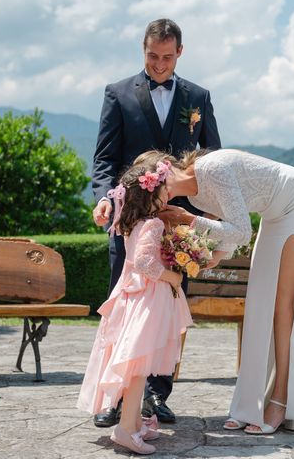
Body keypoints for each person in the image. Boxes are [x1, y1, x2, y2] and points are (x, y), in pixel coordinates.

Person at [136, 148, 294, 434]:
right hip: (275, 214)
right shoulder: (193, 196)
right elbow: (228, 228)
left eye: (153, 187)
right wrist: (210, 257)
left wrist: (186, 219)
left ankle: (279, 401)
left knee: (282, 305)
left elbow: (241, 231)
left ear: (165, 169)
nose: (153, 198)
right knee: (259, 305)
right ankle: (249, 405)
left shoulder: (213, 169)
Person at [90, 17, 221, 426]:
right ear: (142, 50)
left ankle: (155, 395)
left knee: (167, 311)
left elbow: (211, 159)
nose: (159, 64)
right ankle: (112, 398)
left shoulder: (199, 97)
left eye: (167, 57)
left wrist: (208, 211)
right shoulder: (117, 94)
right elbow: (104, 161)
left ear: (180, 52)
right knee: (121, 310)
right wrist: (105, 202)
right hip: (130, 223)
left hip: (181, 225)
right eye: (152, 56)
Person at [77, 161, 192, 455]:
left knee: (135, 366)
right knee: (138, 368)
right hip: (147, 299)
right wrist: (173, 276)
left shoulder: (132, 222)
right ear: (150, 194)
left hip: (133, 296)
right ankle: (126, 429)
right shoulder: (152, 224)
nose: (168, 194)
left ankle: (132, 422)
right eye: (165, 189)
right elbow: (144, 263)